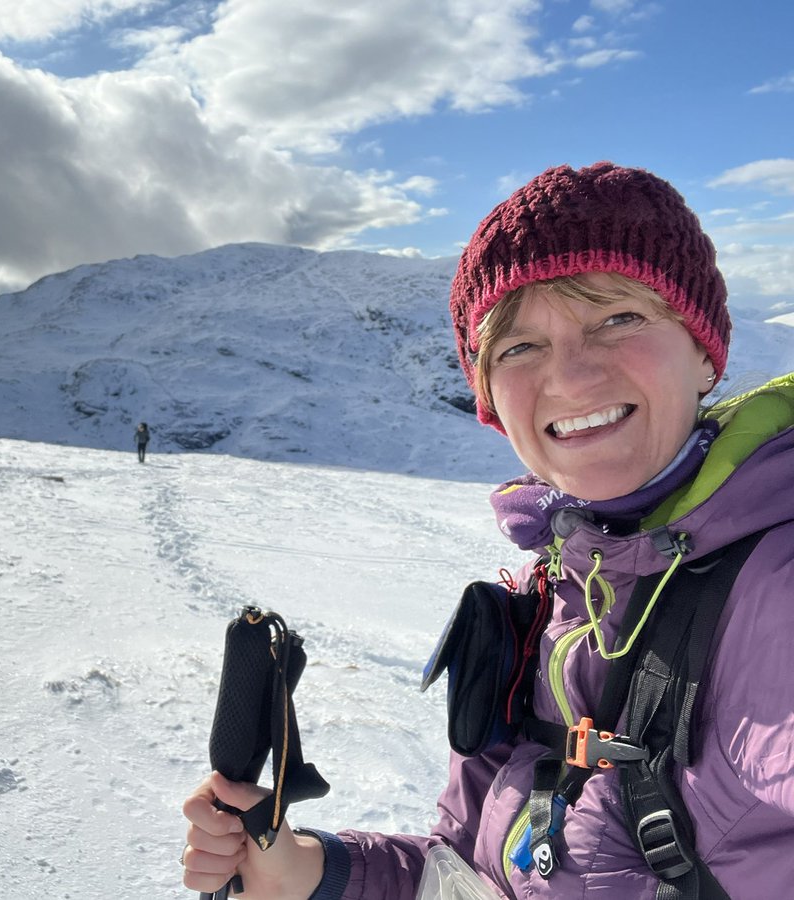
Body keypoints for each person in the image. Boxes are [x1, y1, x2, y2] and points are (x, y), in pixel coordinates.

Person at [180, 162, 794, 899]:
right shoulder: (554, 596)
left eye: (619, 317)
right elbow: (466, 875)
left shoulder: (771, 584)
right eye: (518, 347)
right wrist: (310, 868)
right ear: (491, 398)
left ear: (703, 350)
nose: (570, 376)